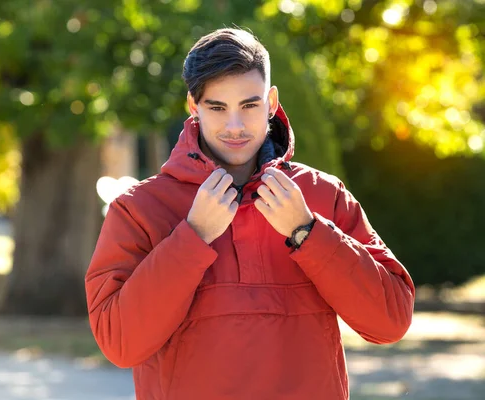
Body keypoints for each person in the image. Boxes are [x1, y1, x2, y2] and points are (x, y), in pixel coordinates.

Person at [85, 28, 415, 400]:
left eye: (249, 105)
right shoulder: (140, 209)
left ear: (271, 102)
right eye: (217, 107)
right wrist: (192, 237)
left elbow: (391, 321)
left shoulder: (323, 196)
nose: (235, 127)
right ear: (194, 106)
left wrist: (307, 231)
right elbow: (119, 343)